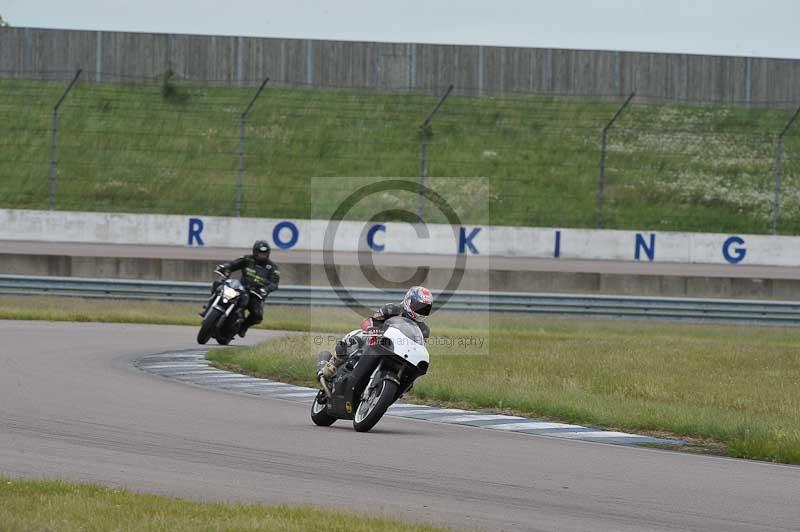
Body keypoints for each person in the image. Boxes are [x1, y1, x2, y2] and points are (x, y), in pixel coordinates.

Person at [318, 286, 433, 380]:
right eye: (419, 306)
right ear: (408, 301)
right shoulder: (392, 309)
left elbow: (417, 348)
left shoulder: (424, 330)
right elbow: (368, 321)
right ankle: (333, 363)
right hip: (376, 340)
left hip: (398, 352)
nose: (421, 310)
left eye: (425, 308)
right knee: (356, 337)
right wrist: (371, 329)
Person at [211, 240, 280, 337]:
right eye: (259, 253)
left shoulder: (273, 268)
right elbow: (233, 264)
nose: (262, 255)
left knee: (257, 315)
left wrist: (265, 290)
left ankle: (244, 327)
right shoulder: (247, 259)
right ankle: (210, 306)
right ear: (254, 252)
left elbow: (274, 283)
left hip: (256, 294)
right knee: (219, 285)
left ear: (268, 253)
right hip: (241, 288)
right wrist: (225, 267)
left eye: (264, 253)